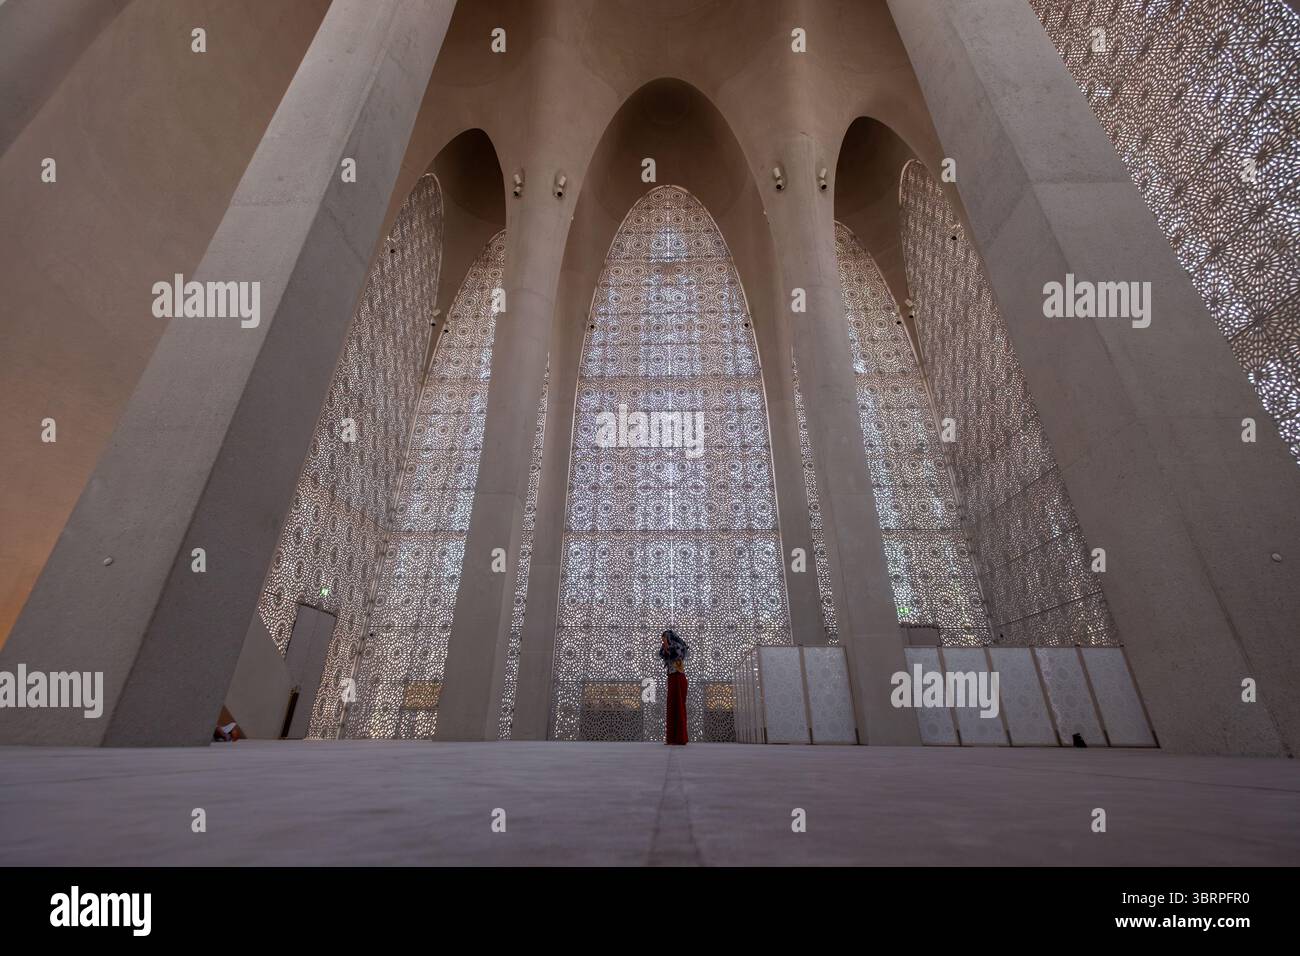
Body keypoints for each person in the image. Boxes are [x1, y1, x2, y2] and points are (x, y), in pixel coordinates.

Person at [658, 629, 690, 745]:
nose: (663, 641)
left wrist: (667, 646)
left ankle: (680, 738)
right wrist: (665, 646)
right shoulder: (666, 646)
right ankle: (671, 738)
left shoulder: (678, 645)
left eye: (665, 638)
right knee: (671, 707)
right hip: (672, 677)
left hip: (678, 677)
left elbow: (677, 656)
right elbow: (662, 654)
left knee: (679, 707)